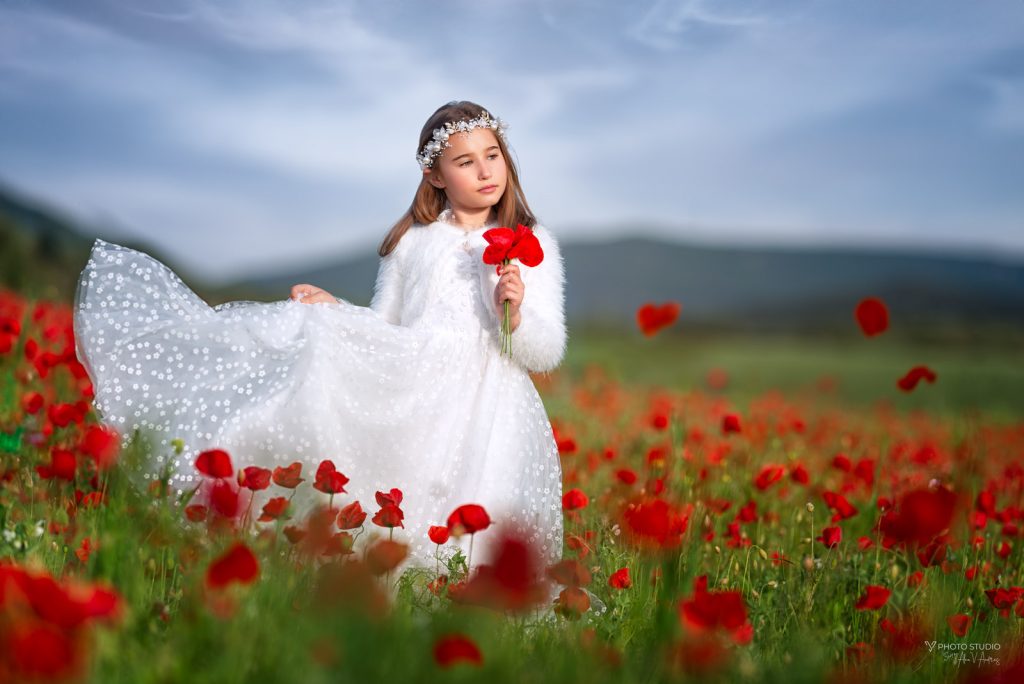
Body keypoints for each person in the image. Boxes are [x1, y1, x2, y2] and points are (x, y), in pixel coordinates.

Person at [72, 100, 568, 590]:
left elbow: (544, 351)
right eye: (465, 161)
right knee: (414, 499)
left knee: (481, 509)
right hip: (419, 387)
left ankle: (475, 602)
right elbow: (385, 330)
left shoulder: (529, 239)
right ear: (435, 174)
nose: (485, 171)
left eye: (492, 155)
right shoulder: (412, 243)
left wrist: (515, 313)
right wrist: (336, 310)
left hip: (491, 402)